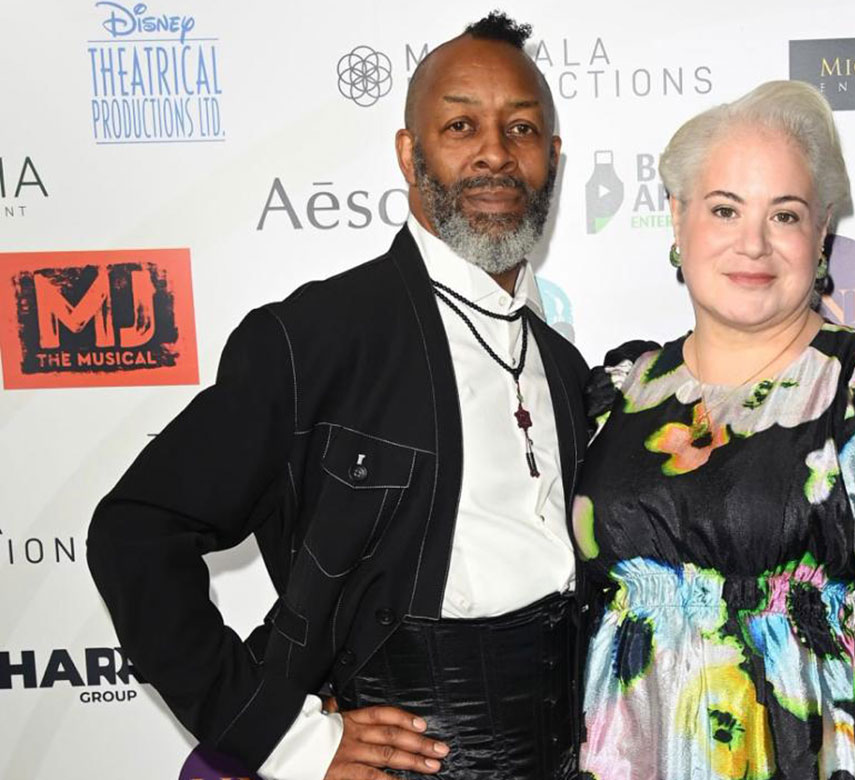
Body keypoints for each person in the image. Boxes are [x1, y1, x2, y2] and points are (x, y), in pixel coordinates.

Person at [87, 12, 588, 780]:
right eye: (460, 126)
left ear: (552, 158)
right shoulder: (313, 339)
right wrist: (287, 740)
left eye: (521, 129)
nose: (495, 152)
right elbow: (134, 534)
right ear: (408, 153)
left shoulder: (562, 364)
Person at [571, 80, 855, 780]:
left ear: (820, 230)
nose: (752, 243)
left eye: (783, 215)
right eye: (724, 208)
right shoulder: (619, 392)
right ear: (677, 217)